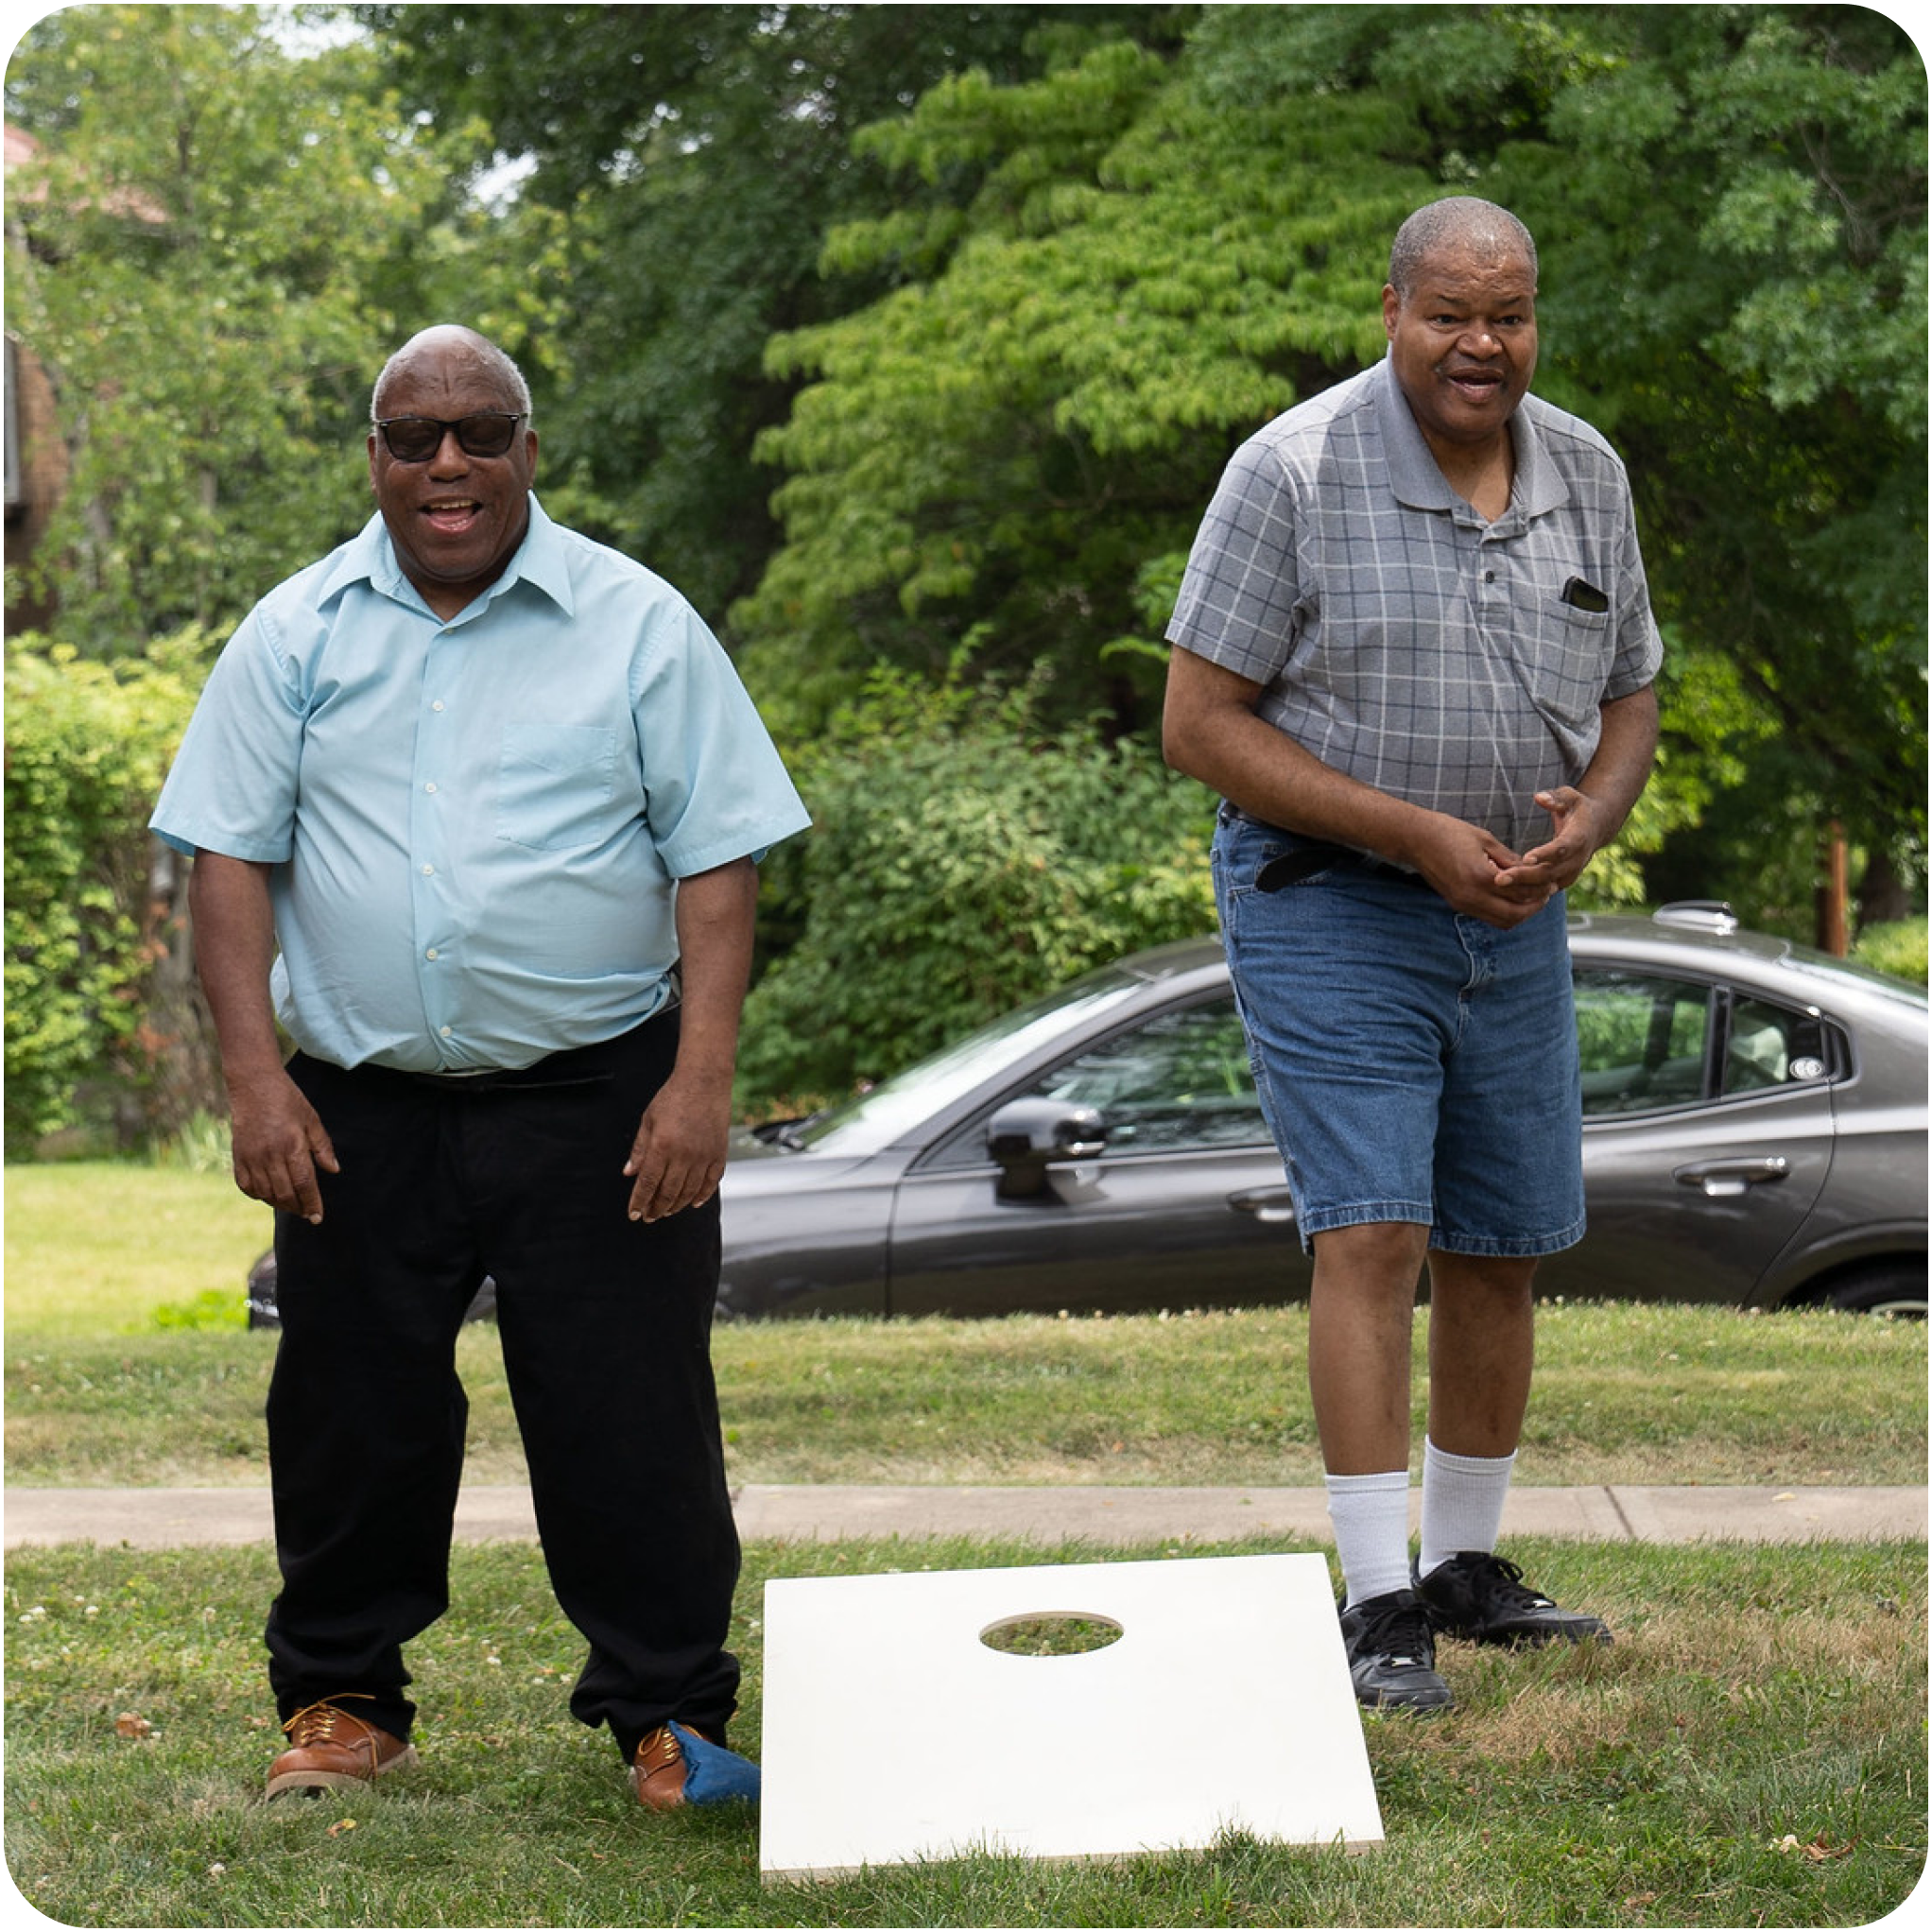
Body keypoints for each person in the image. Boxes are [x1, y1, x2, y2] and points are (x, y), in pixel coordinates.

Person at [150, 324, 810, 1804]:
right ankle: (342, 1702)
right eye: (413, 436)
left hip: (601, 1097)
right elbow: (229, 866)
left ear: (529, 448)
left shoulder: (638, 625)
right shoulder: (295, 632)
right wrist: (256, 1087)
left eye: (480, 433)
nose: (447, 463)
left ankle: (669, 1718)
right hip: (357, 1109)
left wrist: (699, 1086)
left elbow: (718, 869)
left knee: (628, 1409)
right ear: (373, 457)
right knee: (349, 1411)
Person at [1161, 198, 1661, 1713]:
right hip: (1330, 900)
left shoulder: (1586, 470)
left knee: (1503, 1242)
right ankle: (1376, 1602)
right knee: (1374, 1230)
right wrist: (1411, 830)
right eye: (1450, 314)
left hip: (1515, 904)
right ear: (1391, 309)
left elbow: (1632, 692)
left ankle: (1465, 1572)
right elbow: (1200, 725)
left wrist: (1594, 819)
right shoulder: (1290, 471)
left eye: (1507, 316)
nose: (1481, 345)